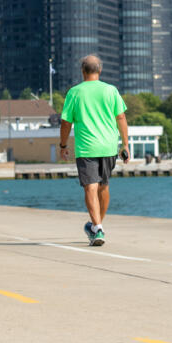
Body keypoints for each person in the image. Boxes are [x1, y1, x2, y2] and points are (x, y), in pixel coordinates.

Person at [59, 55, 130, 246]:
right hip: (108, 146)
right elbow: (121, 117)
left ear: (82, 71)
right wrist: (125, 144)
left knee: (91, 187)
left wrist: (63, 145)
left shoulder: (75, 92)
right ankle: (97, 226)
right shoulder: (111, 90)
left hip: (86, 147)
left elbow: (66, 122)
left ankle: (97, 227)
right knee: (104, 186)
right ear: (100, 70)